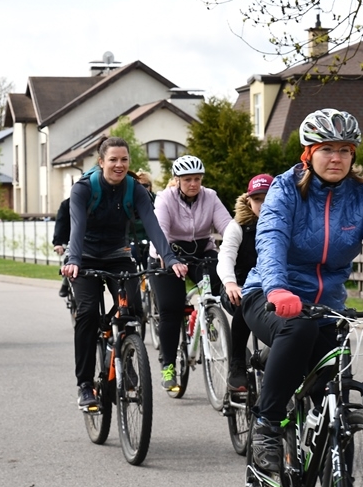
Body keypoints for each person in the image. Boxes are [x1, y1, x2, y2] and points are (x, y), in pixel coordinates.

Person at [240, 108, 363, 477]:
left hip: (327, 307)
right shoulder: (285, 190)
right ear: (308, 154)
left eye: (345, 150)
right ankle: (266, 426)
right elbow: (271, 241)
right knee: (299, 329)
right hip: (270, 296)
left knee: (333, 406)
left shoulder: (362, 196)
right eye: (327, 149)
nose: (337, 157)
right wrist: (278, 288)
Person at [62, 136, 186, 409]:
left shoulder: (135, 189)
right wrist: (73, 259)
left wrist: (169, 257)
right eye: (113, 160)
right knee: (87, 313)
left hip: (119, 256)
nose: (119, 165)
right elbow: (77, 227)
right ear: (101, 162)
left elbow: (153, 225)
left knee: (134, 309)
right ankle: (85, 385)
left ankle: (127, 357)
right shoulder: (84, 189)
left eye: (124, 160)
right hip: (85, 258)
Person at [150, 155, 232, 390]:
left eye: (197, 179)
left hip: (200, 251)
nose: (193, 184)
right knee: (171, 310)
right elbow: (160, 233)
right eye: (187, 179)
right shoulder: (165, 199)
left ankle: (206, 314)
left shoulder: (210, 197)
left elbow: (227, 225)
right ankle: (168, 365)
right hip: (166, 254)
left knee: (221, 288)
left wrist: (236, 247)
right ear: (177, 180)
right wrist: (170, 258)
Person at [218, 174, 273, 392]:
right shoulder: (238, 227)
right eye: (257, 199)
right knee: (245, 301)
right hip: (238, 287)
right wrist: (230, 283)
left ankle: (271, 358)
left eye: (268, 198)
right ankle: (237, 364)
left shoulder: (287, 224)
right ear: (249, 201)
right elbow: (225, 258)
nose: (263, 204)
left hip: (271, 289)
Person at [51, 197, 71, 298]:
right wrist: (58, 243)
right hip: (69, 240)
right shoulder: (67, 204)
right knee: (68, 261)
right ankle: (65, 284)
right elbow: (60, 223)